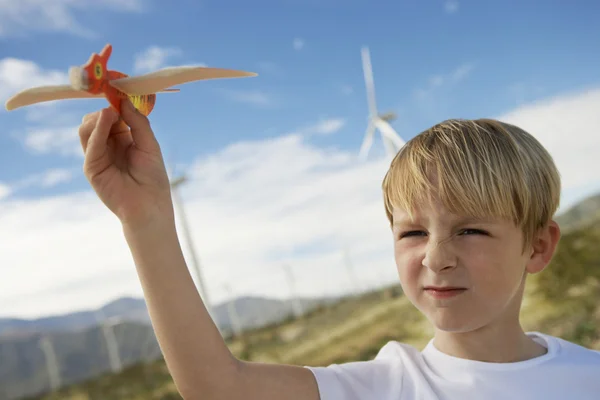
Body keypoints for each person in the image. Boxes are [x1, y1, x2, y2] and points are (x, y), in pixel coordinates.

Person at [78, 99, 600, 399]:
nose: (436, 257)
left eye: (470, 231)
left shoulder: (589, 376)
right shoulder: (384, 386)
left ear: (537, 246)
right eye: (413, 232)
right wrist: (144, 219)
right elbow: (218, 386)